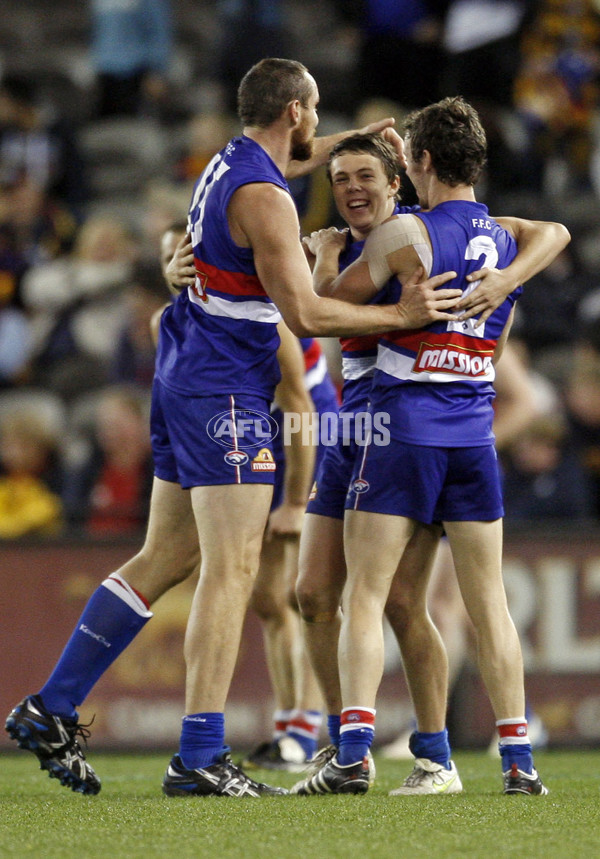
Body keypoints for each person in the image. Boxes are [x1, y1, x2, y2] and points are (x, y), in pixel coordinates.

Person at [5, 58, 464, 798]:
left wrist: (358, 133)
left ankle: (51, 705)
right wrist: (401, 316)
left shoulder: (231, 158)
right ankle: (198, 754)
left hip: (186, 369)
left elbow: (302, 156)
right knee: (233, 570)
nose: (316, 125)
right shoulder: (267, 198)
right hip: (226, 390)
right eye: (313, 111)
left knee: (165, 556)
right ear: (294, 111)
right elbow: (308, 315)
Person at [291, 96, 570, 797]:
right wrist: (508, 280)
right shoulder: (505, 241)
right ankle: (518, 761)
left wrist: (325, 257)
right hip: (472, 437)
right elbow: (555, 231)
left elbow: (331, 307)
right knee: (489, 605)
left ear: (418, 164)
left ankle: (352, 748)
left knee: (368, 592)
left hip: (401, 429)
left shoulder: (405, 233)